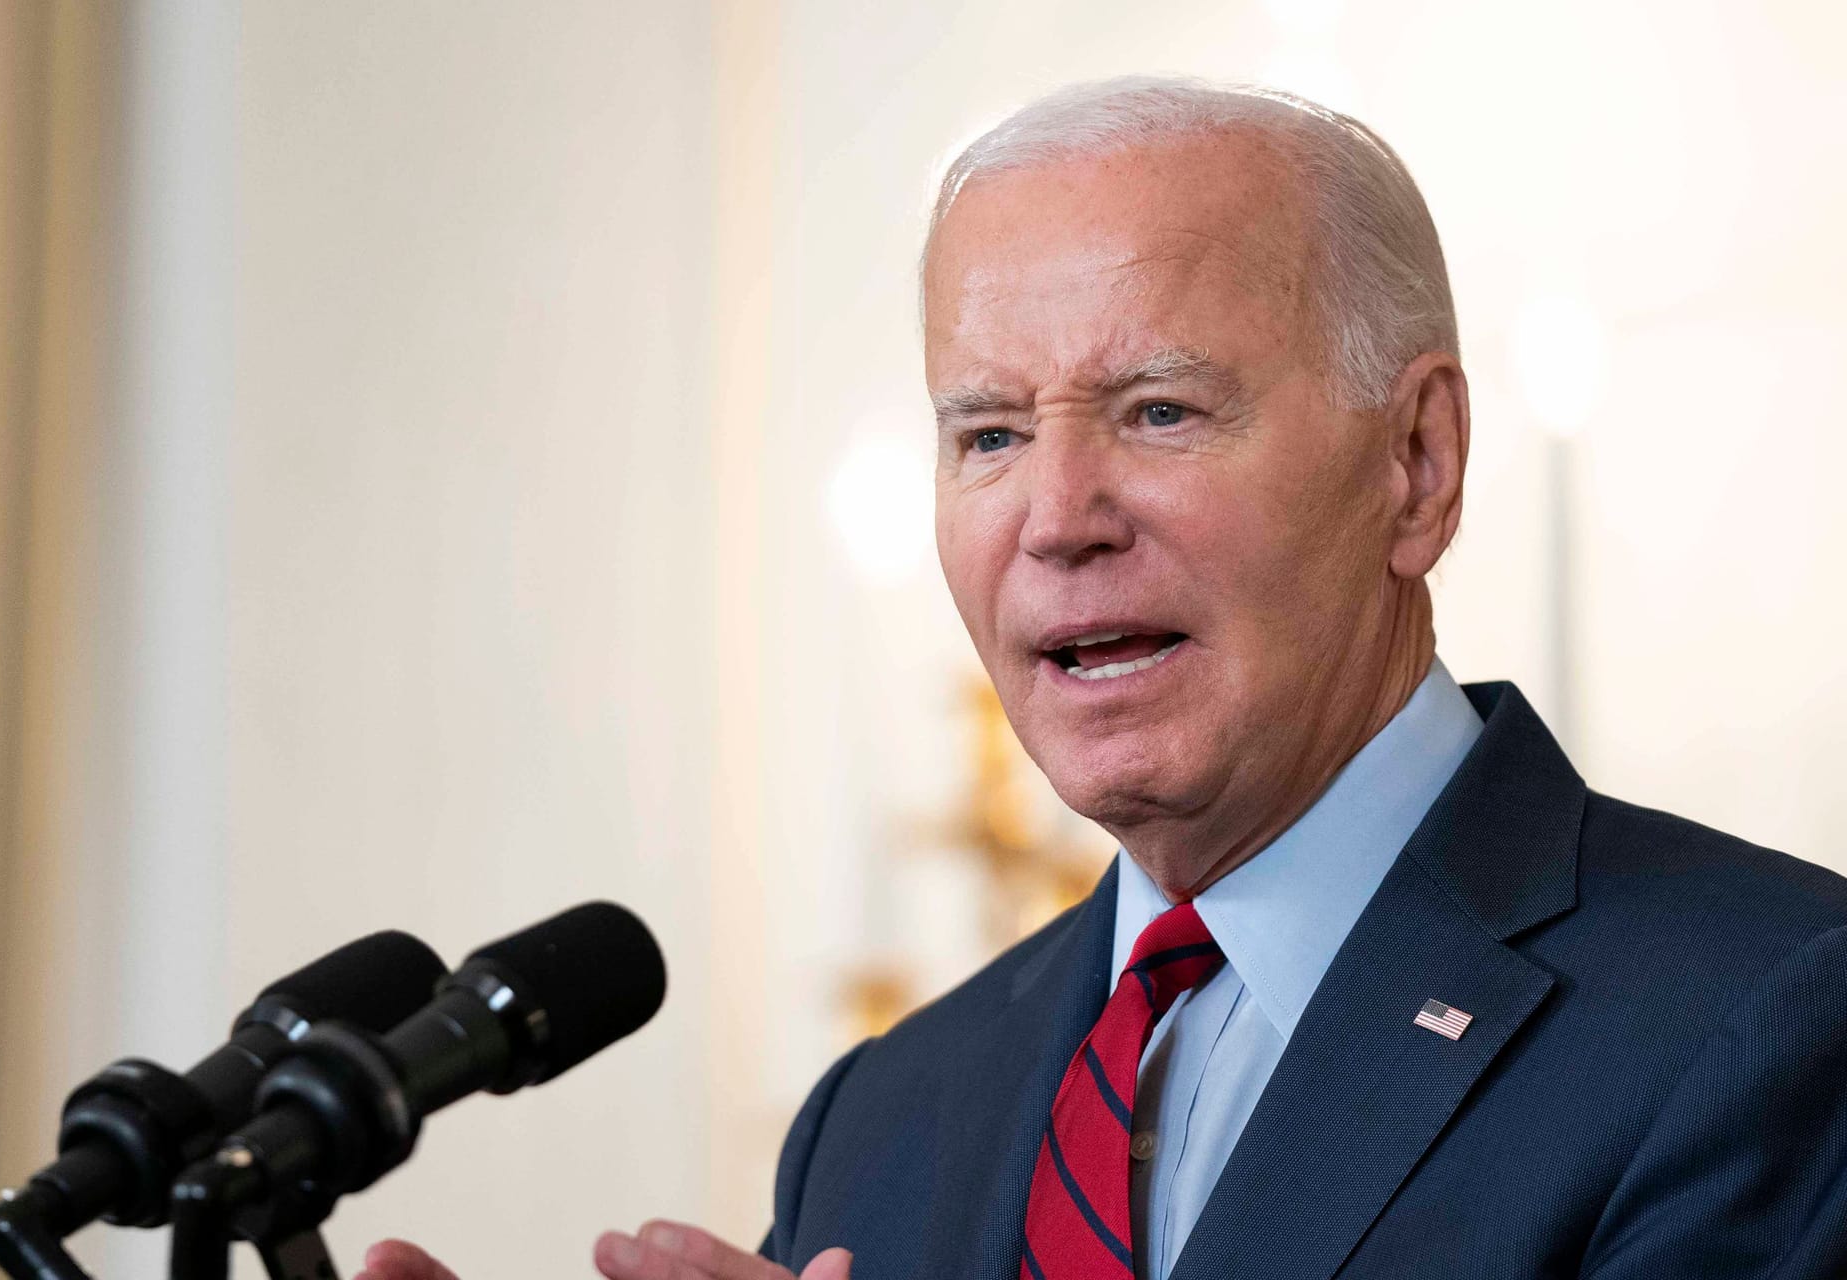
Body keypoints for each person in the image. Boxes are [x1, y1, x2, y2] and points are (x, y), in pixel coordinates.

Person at [358, 78, 1847, 1280]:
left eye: (1159, 410)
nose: (1059, 518)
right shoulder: (885, 1120)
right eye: (990, 436)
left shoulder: (1765, 1017)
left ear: (1416, 465)